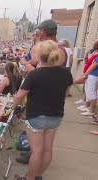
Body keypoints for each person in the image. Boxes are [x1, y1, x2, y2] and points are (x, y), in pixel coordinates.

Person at [13, 40, 73, 180]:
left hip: (36, 116)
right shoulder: (66, 73)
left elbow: (19, 95)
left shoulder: (34, 74)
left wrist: (14, 106)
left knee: (36, 151)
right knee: (47, 149)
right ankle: (38, 176)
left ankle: (29, 177)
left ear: (40, 56)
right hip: (56, 116)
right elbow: (65, 94)